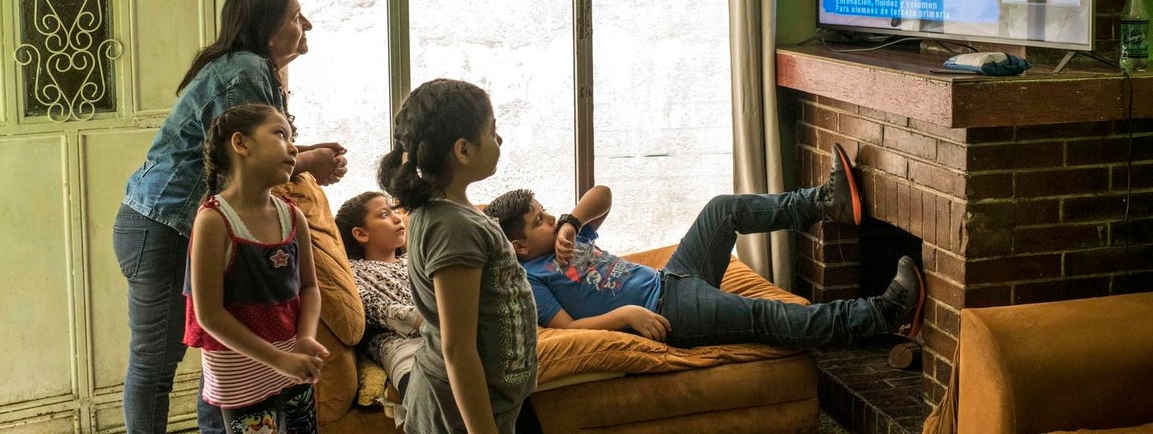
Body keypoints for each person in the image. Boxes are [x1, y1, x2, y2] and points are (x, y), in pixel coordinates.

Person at [113, 0, 349, 434]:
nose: (307, 25)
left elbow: (252, 151)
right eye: (295, 17)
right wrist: (309, 162)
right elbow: (245, 161)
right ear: (266, 28)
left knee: (217, 359)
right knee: (156, 364)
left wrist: (308, 154)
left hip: (172, 224)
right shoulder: (244, 69)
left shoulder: (255, 69)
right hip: (162, 226)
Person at [483, 143, 924, 351]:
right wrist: (626, 315)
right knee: (764, 315)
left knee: (721, 209)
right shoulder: (531, 278)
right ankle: (882, 314)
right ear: (519, 246)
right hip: (669, 311)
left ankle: (826, 203)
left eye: (545, 211)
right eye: (538, 220)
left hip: (672, 276)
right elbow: (567, 330)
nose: (548, 218)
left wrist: (571, 222)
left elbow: (604, 193)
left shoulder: (566, 238)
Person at [378, 78, 539, 434]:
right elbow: (457, 349)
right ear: (462, 150)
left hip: (483, 402)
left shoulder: (453, 213)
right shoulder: (453, 227)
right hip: (459, 412)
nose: (499, 140)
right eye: (492, 131)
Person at [184, 104, 328, 434]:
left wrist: (304, 337)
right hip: (238, 374)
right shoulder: (213, 220)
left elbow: (309, 287)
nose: (292, 147)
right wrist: (278, 359)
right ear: (241, 143)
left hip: (292, 362)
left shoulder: (293, 216)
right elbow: (210, 315)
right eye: (280, 134)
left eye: (292, 138)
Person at [336, 191, 423, 403]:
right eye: (384, 214)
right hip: (398, 343)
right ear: (361, 234)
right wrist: (430, 320)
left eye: (395, 210)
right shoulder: (352, 271)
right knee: (424, 389)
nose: (397, 218)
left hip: (443, 332)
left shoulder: (415, 260)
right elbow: (374, 308)